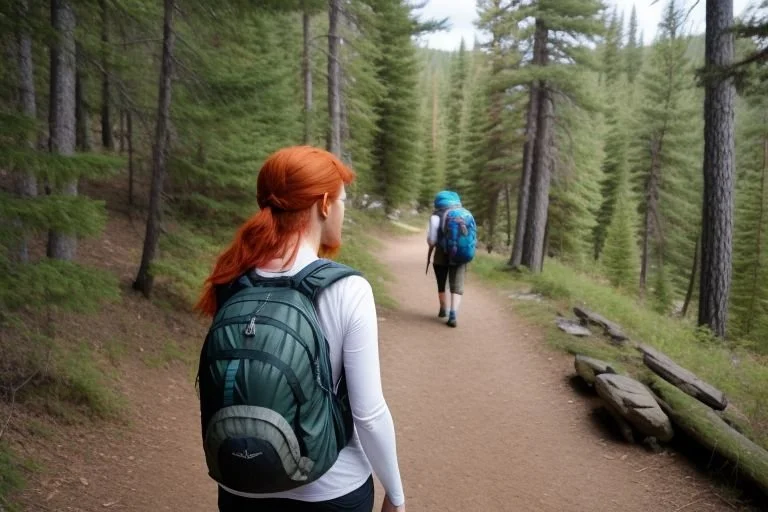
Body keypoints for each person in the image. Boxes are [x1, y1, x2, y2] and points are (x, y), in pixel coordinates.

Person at [195, 146, 405, 512]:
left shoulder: (233, 281)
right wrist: (397, 495)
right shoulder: (347, 289)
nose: (342, 210)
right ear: (323, 204)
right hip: (331, 491)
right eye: (341, 201)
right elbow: (368, 414)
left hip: (240, 487)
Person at [426, 190, 475, 328]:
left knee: (441, 282)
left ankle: (443, 309)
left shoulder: (436, 216)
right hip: (460, 253)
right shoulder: (464, 213)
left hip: (441, 253)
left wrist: (432, 244)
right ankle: (453, 314)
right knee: (457, 284)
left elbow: (432, 240)